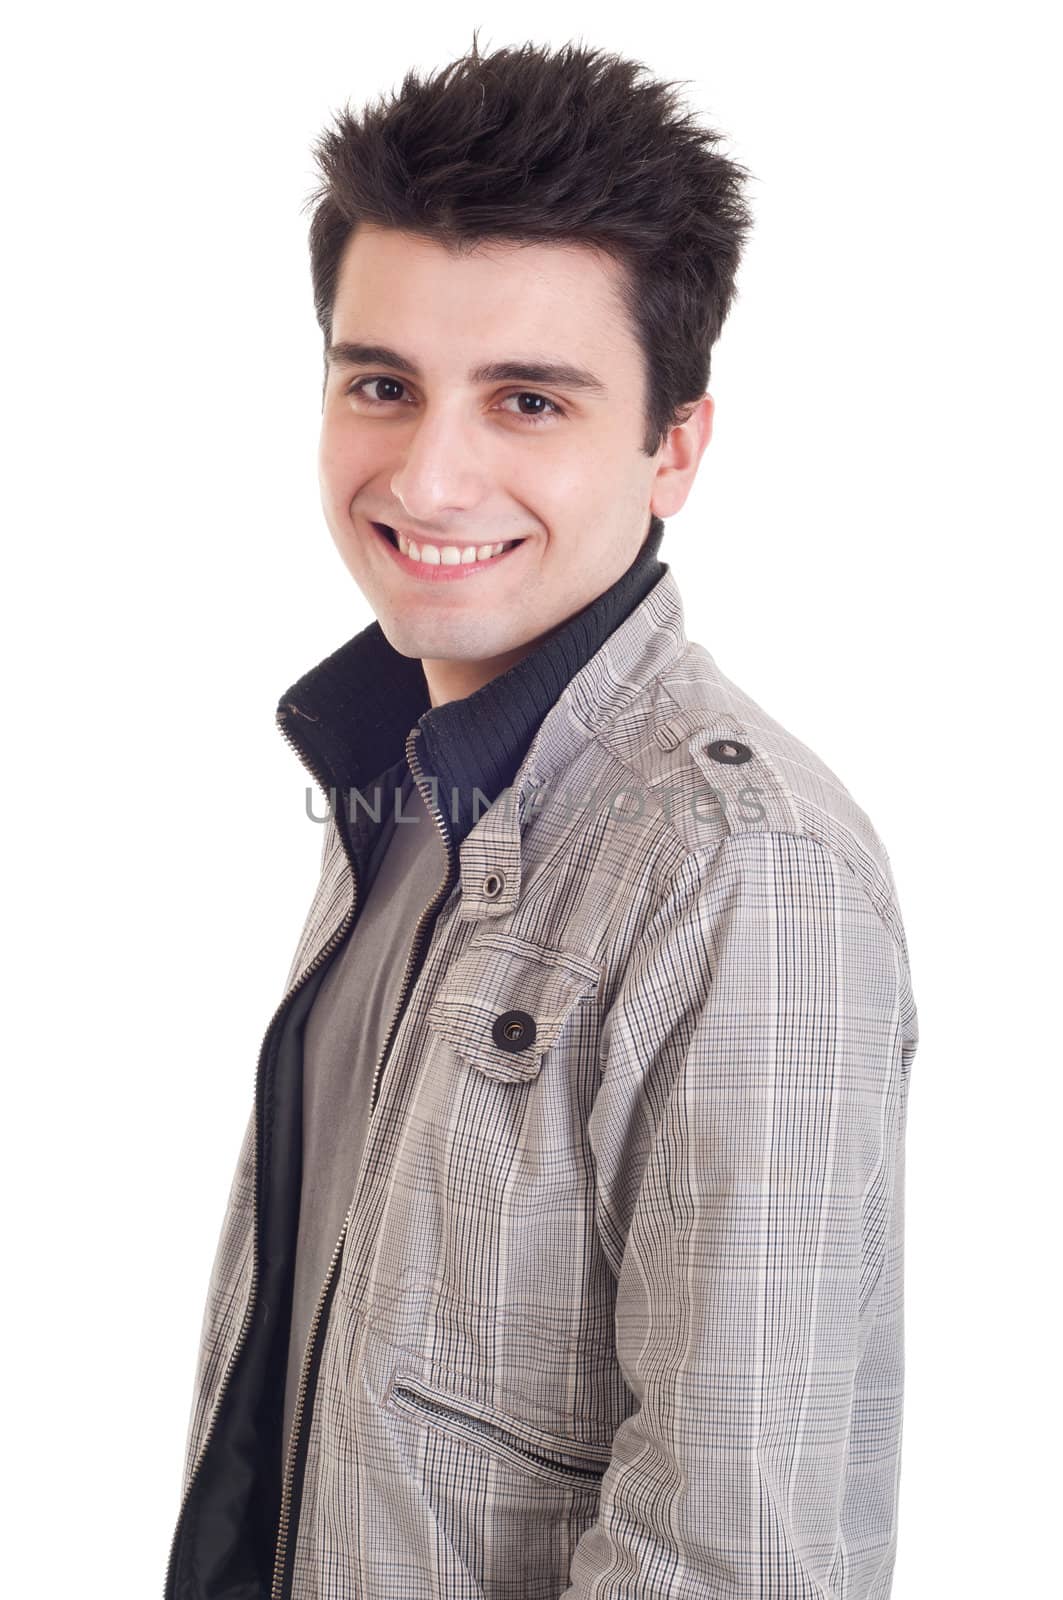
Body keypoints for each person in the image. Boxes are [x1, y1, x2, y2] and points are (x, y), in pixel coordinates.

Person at [165, 32, 918, 1600]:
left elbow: (738, 1559)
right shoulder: (398, 775)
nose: (430, 479)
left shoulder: (741, 875)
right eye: (382, 385)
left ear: (675, 448)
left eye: (528, 401)